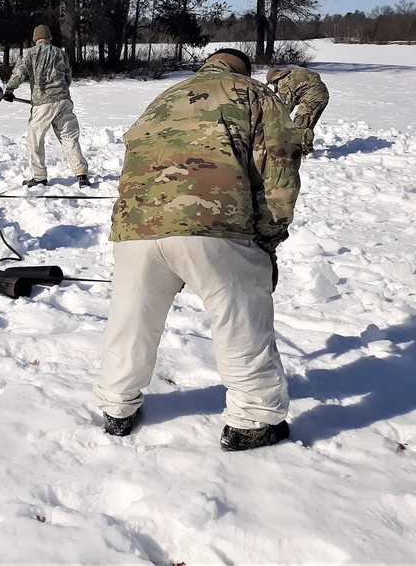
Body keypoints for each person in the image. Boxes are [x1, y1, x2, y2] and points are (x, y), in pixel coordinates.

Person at [93, 48, 302, 451]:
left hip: (137, 227)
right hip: (216, 225)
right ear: (244, 69)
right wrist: (268, 239)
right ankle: (253, 421)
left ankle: (117, 407)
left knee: (132, 318)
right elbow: (279, 166)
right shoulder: (253, 93)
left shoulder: (165, 97)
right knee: (240, 320)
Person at [3, 24, 91, 188]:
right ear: (50, 38)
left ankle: (39, 177)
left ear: (35, 39)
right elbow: (68, 77)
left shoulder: (29, 54)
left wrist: (9, 90)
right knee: (69, 138)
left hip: (42, 104)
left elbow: (19, 73)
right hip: (64, 101)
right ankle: (81, 174)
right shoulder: (60, 53)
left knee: (35, 139)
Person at [266, 66, 330, 155]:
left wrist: (276, 119)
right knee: (307, 125)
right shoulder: (294, 74)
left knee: (299, 125)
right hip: (323, 94)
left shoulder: (283, 83)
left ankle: (302, 152)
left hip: (312, 97)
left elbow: (287, 106)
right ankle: (307, 149)